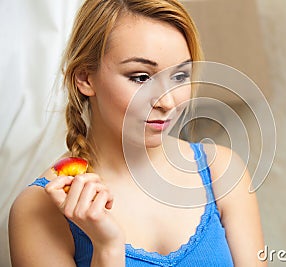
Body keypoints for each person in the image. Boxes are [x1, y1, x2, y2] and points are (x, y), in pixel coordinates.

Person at [8, 0, 266, 266]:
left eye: (179, 76)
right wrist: (106, 249)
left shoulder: (221, 172)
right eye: (141, 77)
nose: (167, 102)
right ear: (85, 78)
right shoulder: (39, 209)